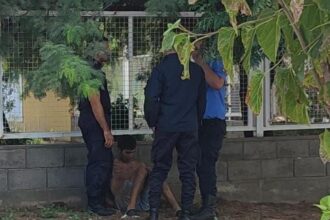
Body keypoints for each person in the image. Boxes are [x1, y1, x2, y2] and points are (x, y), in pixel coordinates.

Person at [144, 51, 206, 220]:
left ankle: (154, 212)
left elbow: (151, 98)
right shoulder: (196, 70)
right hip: (189, 126)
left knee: (159, 168)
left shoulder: (161, 70)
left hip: (166, 126)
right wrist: (195, 121)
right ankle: (185, 212)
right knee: (188, 170)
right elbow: (201, 102)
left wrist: (153, 121)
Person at [191, 42, 227, 220]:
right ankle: (205, 204)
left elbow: (217, 83)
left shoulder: (215, 58)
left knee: (206, 163)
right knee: (199, 163)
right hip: (196, 121)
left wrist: (200, 61)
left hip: (213, 120)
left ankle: (209, 208)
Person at [78, 49, 115, 216]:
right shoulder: (91, 72)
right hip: (94, 121)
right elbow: (95, 103)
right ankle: (94, 203)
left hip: (96, 120)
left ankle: (102, 200)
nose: (108, 51)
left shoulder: (96, 71)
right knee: (98, 161)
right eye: (104, 48)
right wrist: (105, 129)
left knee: (105, 160)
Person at [110, 135, 181, 219]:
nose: (131, 156)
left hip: (140, 204)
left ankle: (177, 209)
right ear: (119, 150)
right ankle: (130, 208)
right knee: (143, 168)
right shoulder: (114, 165)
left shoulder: (137, 165)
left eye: (133, 152)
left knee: (156, 174)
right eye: (127, 153)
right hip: (121, 203)